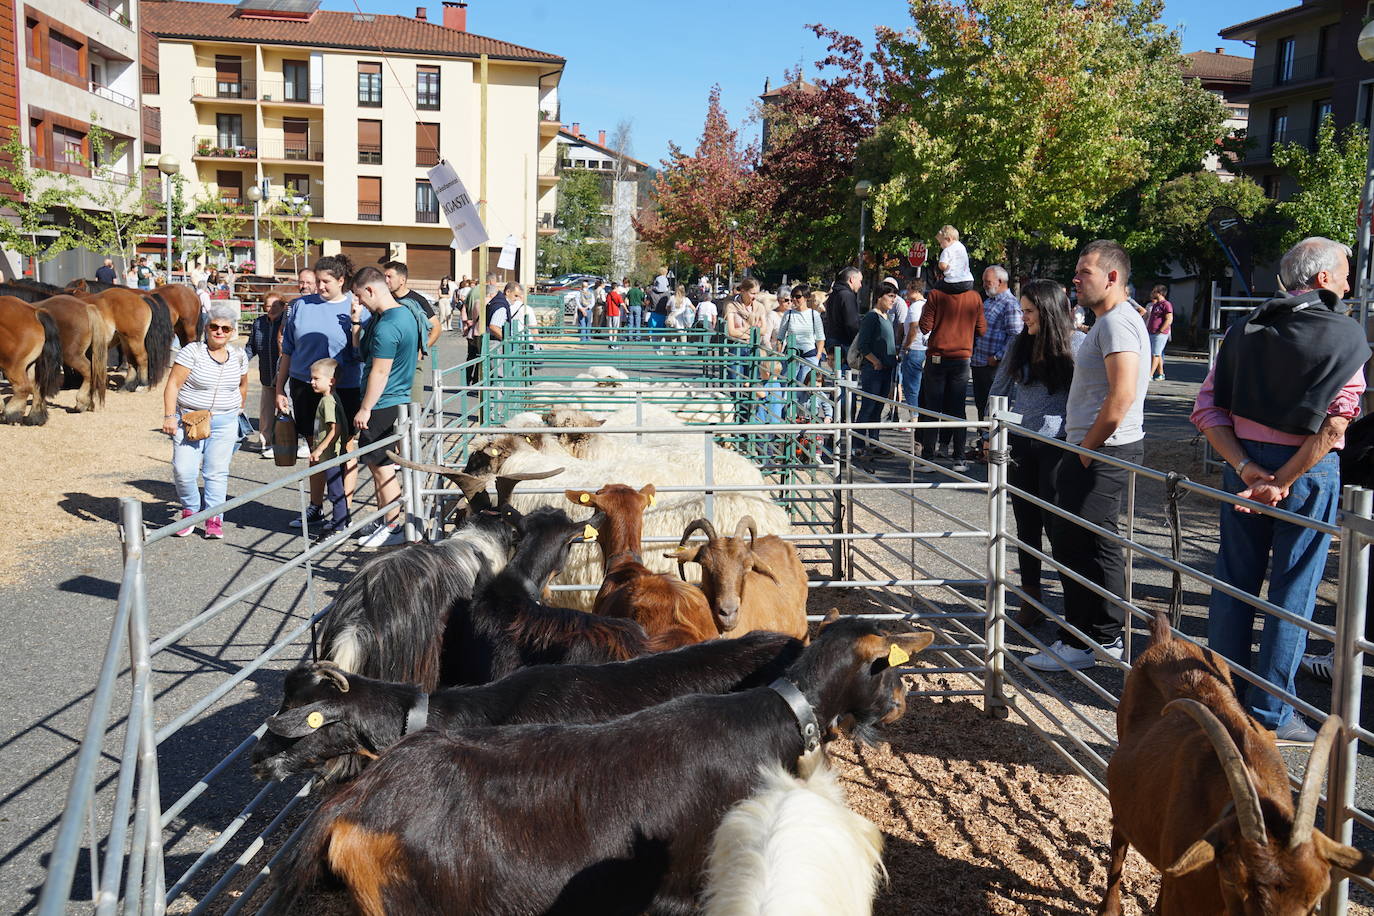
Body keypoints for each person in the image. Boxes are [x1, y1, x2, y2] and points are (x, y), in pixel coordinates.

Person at [1190, 237, 1369, 742]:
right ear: (1319, 280)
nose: (1348, 283)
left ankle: (1221, 701)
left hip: (1242, 466)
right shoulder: (1345, 337)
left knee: (1233, 582)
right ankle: (1271, 713)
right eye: (1343, 273)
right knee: (1293, 592)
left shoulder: (1244, 329)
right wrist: (1282, 481)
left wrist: (1249, 470)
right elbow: (1334, 428)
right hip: (1306, 476)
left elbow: (1206, 410)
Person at [1025, 239, 1150, 673]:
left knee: (1082, 544)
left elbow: (1122, 396)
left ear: (1112, 277)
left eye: (1085, 273)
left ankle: (1091, 638)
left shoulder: (1117, 324)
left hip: (1102, 452)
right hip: (1098, 450)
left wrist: (1084, 449)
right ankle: (1096, 634)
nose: (1075, 280)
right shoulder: (1109, 322)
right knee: (1087, 542)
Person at [989, 280, 1078, 627]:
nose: (1023, 317)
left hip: (1058, 446)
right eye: (1022, 310)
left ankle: (1074, 601)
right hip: (1021, 443)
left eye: (1028, 311)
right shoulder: (1018, 343)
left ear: (1048, 309)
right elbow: (999, 389)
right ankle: (1031, 596)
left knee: (1058, 527)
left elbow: (1083, 399)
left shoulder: (1077, 344)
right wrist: (991, 430)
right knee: (1026, 525)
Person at [275, 254, 368, 528]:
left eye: (325, 281)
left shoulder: (357, 307)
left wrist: (355, 323)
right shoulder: (299, 306)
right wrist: (279, 389)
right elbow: (288, 351)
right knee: (316, 447)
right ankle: (316, 507)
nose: (319, 287)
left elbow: (360, 353)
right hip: (305, 384)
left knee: (345, 445)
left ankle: (344, 511)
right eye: (316, 281)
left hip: (345, 386)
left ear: (341, 280)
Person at [161, 303, 250, 539]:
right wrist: (170, 416)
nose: (220, 331)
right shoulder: (192, 351)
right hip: (190, 418)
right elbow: (173, 385)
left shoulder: (239, 355)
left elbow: (243, 384)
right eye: (214, 326)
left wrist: (239, 408)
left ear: (233, 332)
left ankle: (214, 517)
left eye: (226, 328)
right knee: (183, 469)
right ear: (206, 328)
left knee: (216, 472)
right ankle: (190, 510)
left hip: (225, 421)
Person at [350, 266, 421, 549]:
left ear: (371, 289)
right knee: (380, 463)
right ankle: (386, 520)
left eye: (359, 296)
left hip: (384, 401)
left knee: (381, 465)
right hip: (395, 397)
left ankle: (392, 524)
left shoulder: (388, 325)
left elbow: (380, 371)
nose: (359, 303)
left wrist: (365, 408)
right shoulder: (403, 313)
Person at [917, 268, 986, 470]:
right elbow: (982, 329)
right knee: (958, 409)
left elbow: (924, 326)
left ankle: (928, 457)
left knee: (931, 407)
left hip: (938, 357)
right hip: (962, 357)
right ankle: (959, 458)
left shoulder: (936, 295)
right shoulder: (974, 297)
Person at [970, 265, 1024, 450]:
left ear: (1000, 282)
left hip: (995, 366)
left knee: (994, 407)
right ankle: (983, 442)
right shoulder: (989, 302)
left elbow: (1016, 336)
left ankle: (993, 444)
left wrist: (998, 356)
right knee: (981, 406)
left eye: (988, 281)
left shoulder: (1010, 304)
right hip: (979, 363)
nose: (984, 285)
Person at [382, 261, 441, 404]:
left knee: (413, 406)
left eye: (389, 276)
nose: (385, 280)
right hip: (389, 361)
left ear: (402, 280)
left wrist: (422, 349)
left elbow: (436, 327)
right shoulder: (385, 299)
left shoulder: (417, 300)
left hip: (412, 362)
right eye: (384, 276)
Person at [852, 282, 900, 456]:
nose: (893, 300)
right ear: (880, 297)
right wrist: (875, 361)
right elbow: (863, 345)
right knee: (868, 406)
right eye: (890, 296)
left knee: (879, 407)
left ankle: (873, 441)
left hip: (887, 369)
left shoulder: (887, 317)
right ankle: (857, 444)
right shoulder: (872, 317)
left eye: (894, 296)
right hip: (874, 370)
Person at [308, 357, 350, 533]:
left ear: (331, 381)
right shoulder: (330, 398)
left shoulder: (328, 402)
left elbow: (335, 429)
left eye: (316, 379)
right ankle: (341, 520)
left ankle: (339, 525)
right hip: (331, 454)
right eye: (312, 378)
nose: (312, 382)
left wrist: (319, 449)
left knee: (335, 491)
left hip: (331, 455)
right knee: (336, 488)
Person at [244, 292, 285, 457]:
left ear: (283, 307)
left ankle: (284, 444)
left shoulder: (287, 323)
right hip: (266, 375)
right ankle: (265, 443)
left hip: (284, 375)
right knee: (266, 412)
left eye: (275, 305)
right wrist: (240, 361)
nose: (271, 309)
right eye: (268, 305)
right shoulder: (259, 323)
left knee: (284, 411)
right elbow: (251, 346)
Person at [900, 277, 928, 423]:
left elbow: (914, 327)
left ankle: (914, 416)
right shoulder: (927, 305)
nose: (906, 292)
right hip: (924, 348)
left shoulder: (916, 307)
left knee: (911, 385)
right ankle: (917, 414)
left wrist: (906, 346)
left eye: (909, 289)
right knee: (918, 384)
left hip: (915, 348)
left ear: (916, 291)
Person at [463, 273, 496, 383]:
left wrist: (466, 322)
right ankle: (478, 383)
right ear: (490, 282)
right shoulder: (487, 298)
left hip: (472, 330)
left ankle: (467, 381)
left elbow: (465, 306)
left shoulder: (472, 291)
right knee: (481, 358)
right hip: (482, 332)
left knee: (471, 357)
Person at [824, 267, 862, 358]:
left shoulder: (834, 293)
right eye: (860, 281)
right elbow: (852, 323)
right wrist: (857, 342)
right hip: (843, 342)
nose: (861, 285)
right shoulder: (847, 295)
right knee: (843, 371)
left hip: (832, 339)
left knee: (837, 370)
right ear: (852, 279)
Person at [1144, 285, 1173, 381]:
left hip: (1159, 333)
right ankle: (1161, 374)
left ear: (1159, 293)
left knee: (1155, 354)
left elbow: (1169, 319)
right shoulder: (1156, 304)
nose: (1152, 293)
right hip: (1152, 332)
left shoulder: (1166, 304)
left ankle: (1150, 375)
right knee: (1157, 353)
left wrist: (1160, 330)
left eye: (1154, 291)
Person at [934, 225, 974, 294]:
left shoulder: (947, 250)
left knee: (938, 286)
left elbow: (942, 265)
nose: (940, 246)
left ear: (949, 239)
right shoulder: (962, 247)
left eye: (941, 243)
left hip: (954, 282)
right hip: (968, 281)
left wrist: (943, 267)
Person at [605, 282, 624, 347]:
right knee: (615, 327)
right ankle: (614, 339)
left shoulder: (608, 294)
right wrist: (627, 310)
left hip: (609, 312)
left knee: (610, 327)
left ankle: (610, 339)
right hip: (616, 312)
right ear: (615, 287)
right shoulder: (618, 295)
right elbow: (621, 303)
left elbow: (606, 302)